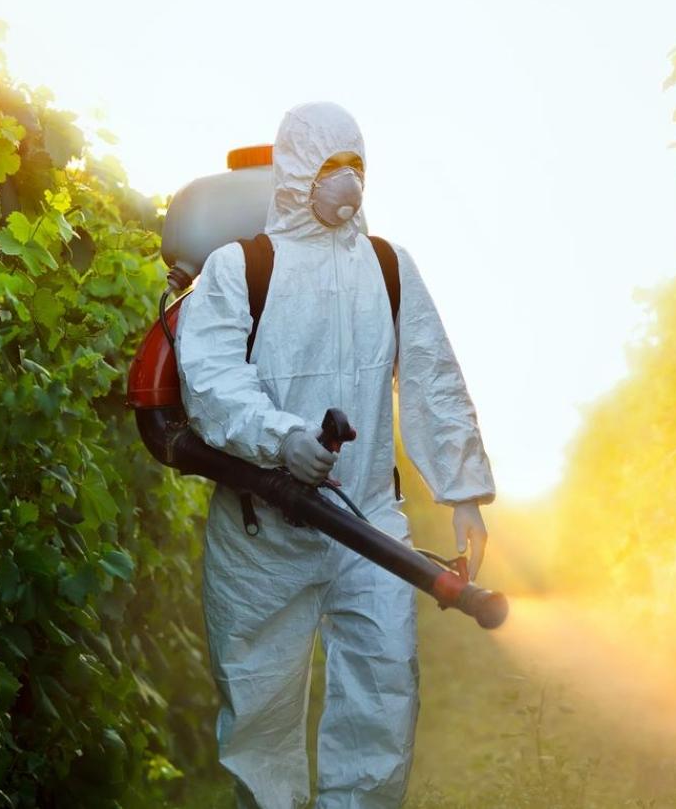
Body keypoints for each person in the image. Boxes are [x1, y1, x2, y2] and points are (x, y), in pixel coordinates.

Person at [175, 101, 495, 808]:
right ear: (293, 173)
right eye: (329, 167)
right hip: (263, 535)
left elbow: (433, 377)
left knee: (382, 703)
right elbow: (212, 381)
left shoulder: (387, 267)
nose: (345, 182)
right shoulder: (239, 269)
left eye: (356, 166)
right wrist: (282, 438)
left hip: (368, 524)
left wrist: (462, 490)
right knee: (262, 719)